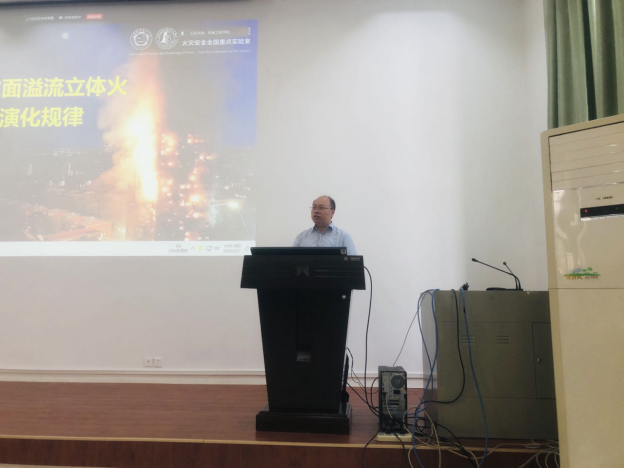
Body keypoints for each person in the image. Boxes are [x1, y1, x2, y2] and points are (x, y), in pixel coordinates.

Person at [293, 195, 357, 255]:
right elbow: (292, 259)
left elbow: (353, 262)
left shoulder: (343, 237)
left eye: (321, 208)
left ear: (332, 212)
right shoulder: (301, 237)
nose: (316, 211)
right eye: (314, 207)